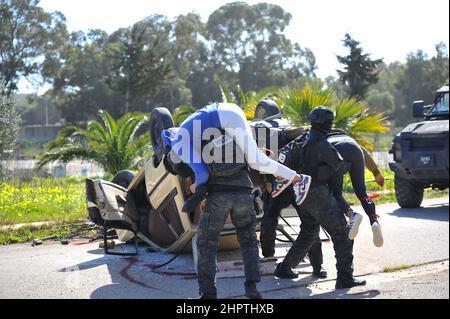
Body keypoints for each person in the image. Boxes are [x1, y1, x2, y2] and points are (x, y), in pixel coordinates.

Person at [273, 106, 366, 289]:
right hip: (317, 193)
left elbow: (284, 157)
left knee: (309, 231)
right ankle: (345, 278)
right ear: (329, 124)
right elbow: (339, 166)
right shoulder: (322, 144)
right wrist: (350, 163)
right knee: (342, 233)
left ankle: (285, 267)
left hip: (300, 192)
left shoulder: (302, 138)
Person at [161, 102, 311, 213]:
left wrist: (197, 186)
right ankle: (281, 176)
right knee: (252, 158)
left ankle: (298, 179)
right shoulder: (184, 135)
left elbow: (202, 173)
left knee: (256, 161)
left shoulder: (179, 144)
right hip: (226, 112)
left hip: (227, 117)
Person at [327, 132, 384, 247]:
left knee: (335, 192)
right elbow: (364, 153)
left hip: (335, 150)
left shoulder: (317, 132)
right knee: (362, 191)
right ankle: (374, 221)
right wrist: (376, 172)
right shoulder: (343, 134)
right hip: (354, 148)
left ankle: (352, 215)